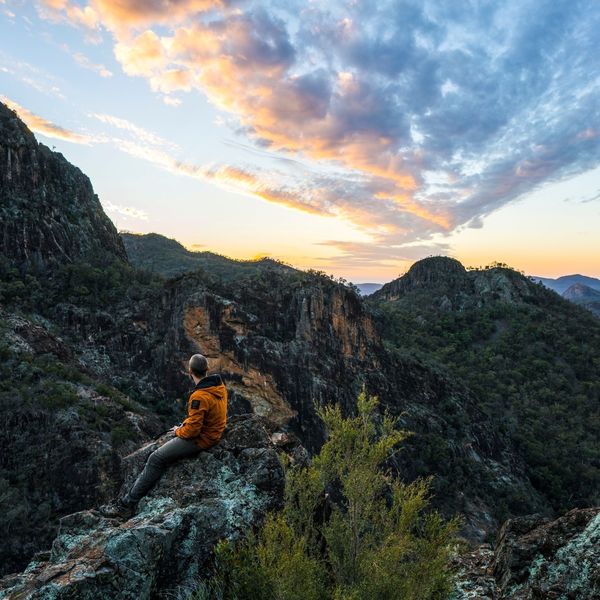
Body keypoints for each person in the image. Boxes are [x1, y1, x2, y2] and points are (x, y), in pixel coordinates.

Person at [98, 353, 228, 519]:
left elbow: (192, 432)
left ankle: (127, 504)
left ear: (190, 371)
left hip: (203, 439)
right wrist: (186, 424)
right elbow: (204, 416)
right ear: (207, 370)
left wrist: (178, 431)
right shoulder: (218, 386)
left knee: (155, 458)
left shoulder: (199, 396)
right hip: (214, 432)